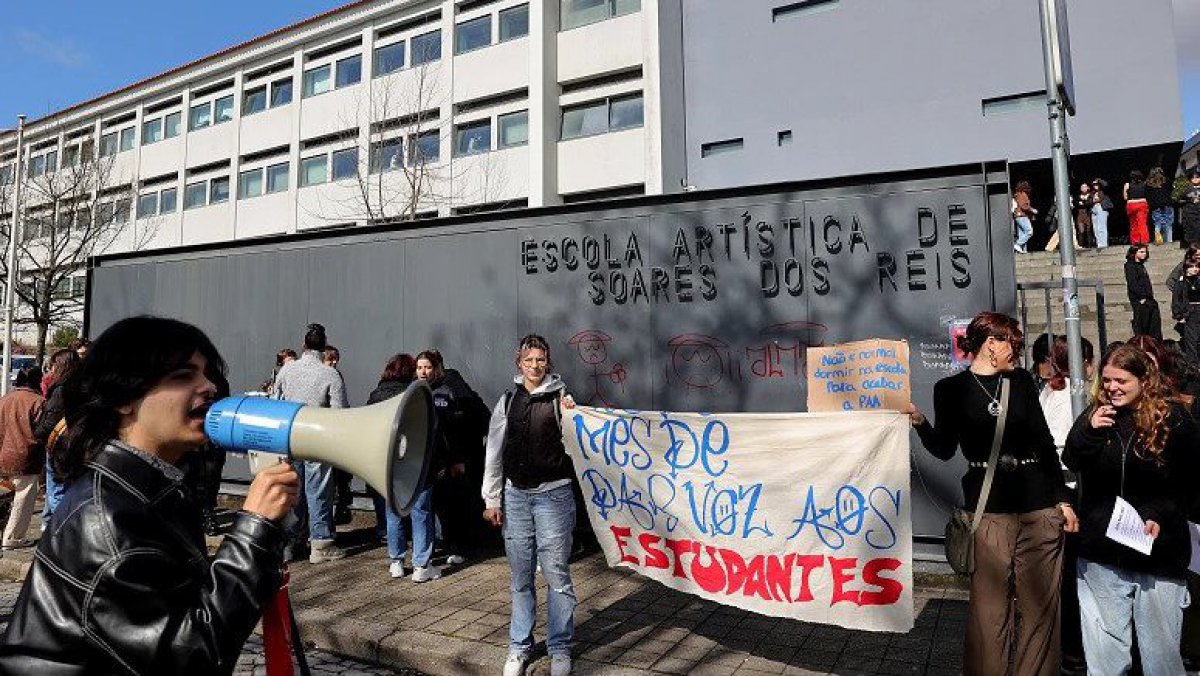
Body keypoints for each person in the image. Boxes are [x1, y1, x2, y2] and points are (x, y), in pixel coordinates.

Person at [0, 316, 300, 673]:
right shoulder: (105, 520)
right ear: (124, 398)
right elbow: (190, 658)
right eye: (183, 376)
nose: (208, 387)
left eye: (207, 374)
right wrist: (253, 531)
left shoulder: (148, 489)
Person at [904, 312, 1077, 676]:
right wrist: (921, 425)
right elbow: (945, 448)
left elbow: (1045, 445)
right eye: (1011, 343)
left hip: (1039, 508)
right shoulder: (950, 389)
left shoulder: (1024, 383)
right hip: (989, 512)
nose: (1017, 350)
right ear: (990, 343)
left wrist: (1062, 499)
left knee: (1040, 609)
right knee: (989, 613)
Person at [1063, 344, 1199, 676]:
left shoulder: (1174, 418)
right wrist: (1088, 430)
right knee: (1106, 657)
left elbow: (1190, 482)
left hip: (1157, 552)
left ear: (1143, 380)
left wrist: (1158, 514)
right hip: (1102, 552)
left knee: (1160, 657)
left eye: (1121, 380)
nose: (1112, 388)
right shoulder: (1098, 414)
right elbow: (1072, 459)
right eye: (1107, 380)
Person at [483, 334, 578, 676]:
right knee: (521, 578)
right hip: (517, 497)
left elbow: (579, 444)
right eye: (529, 360)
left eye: (540, 360)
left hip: (554, 495)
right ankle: (519, 646)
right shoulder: (507, 401)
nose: (535, 366)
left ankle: (560, 647)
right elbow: (493, 451)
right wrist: (492, 498)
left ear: (548, 362)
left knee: (557, 576)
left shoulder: (561, 399)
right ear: (518, 363)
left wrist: (573, 416)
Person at [1037, 336, 1095, 674]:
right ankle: (1073, 649)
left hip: (1056, 492)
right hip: (1069, 492)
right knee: (1073, 575)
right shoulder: (1067, 394)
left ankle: (1070, 647)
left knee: (1066, 575)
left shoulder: (1050, 391)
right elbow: (1062, 448)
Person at [272, 323, 348, 563]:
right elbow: (339, 412)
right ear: (324, 347)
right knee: (319, 493)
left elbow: (276, 402)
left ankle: (290, 545)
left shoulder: (287, 370)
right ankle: (321, 544)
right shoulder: (330, 374)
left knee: (293, 491)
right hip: (317, 439)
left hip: (290, 437)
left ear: (303, 346)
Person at [367, 351, 442, 583]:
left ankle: (396, 562)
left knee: (393, 512)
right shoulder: (415, 394)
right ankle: (421, 565)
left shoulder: (376, 394)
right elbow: (431, 431)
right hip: (417, 463)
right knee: (421, 513)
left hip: (388, 465)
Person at [418, 349, 489, 567]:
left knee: (455, 504)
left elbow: (452, 429)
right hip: (446, 457)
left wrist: (456, 459)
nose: (423, 372)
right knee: (447, 503)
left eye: (427, 367)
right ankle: (453, 544)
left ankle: (460, 546)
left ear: (436, 368)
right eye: (420, 367)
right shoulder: (430, 389)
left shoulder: (446, 391)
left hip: (454, 457)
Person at [34, 348, 80, 527]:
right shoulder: (85, 386)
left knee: (56, 491)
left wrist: (38, 433)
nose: (51, 370)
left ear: (61, 366)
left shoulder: (62, 389)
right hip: (76, 443)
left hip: (59, 444)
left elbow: (50, 419)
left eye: (53, 366)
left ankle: (60, 529)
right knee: (67, 489)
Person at [0, 364, 44, 550]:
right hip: (26, 456)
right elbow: (41, 431)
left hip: (3, 453)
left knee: (4, 495)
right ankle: (13, 537)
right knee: (23, 498)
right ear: (37, 380)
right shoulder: (39, 402)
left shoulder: (4, 399)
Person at [322, 345, 354, 526]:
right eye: (330, 359)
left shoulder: (336, 375)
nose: (334, 363)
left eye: (336, 359)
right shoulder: (329, 376)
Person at [1125, 245, 1162, 341]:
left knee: (1154, 327)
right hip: (1140, 300)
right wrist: (1142, 297)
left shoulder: (1141, 265)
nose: (1144, 254)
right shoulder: (1130, 265)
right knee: (1143, 327)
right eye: (1141, 252)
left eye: (1145, 252)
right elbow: (1132, 284)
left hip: (1149, 299)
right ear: (1134, 252)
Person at [1171, 256, 1200, 358]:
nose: (1195, 269)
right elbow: (1176, 299)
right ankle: (1194, 365)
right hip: (1190, 312)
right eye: (1191, 267)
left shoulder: (1198, 280)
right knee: (1192, 340)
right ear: (1186, 268)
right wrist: (1179, 315)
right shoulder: (1181, 283)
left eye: (1197, 266)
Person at [1146, 167, 1173, 244]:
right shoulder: (1167, 181)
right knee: (1168, 223)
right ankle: (1169, 241)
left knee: (1157, 223)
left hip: (1155, 206)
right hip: (1167, 204)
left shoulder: (1148, 184)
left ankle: (1158, 240)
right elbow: (1171, 191)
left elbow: (1147, 196)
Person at [1125, 170, 1150, 245]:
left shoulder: (1127, 185)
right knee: (1142, 223)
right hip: (1142, 203)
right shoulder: (1144, 184)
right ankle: (1144, 241)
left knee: (1133, 224)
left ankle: (1135, 242)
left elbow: (1125, 197)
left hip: (1131, 204)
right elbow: (1147, 194)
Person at [1013, 180, 1037, 253]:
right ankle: (1018, 244)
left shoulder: (1017, 195)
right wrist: (1032, 210)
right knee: (1029, 231)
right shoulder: (1022, 194)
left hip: (1018, 216)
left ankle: (1023, 250)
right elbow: (1024, 206)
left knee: (1022, 234)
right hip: (1022, 216)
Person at [1178, 169, 1200, 248]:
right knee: (1192, 231)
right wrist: (1190, 200)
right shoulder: (1186, 189)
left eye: (1197, 177)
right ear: (1190, 179)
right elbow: (1178, 200)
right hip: (1190, 214)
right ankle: (1192, 247)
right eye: (1193, 178)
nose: (1195, 179)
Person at [1092, 178, 1113, 248]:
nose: (1095, 186)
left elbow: (1105, 184)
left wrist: (1098, 180)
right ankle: (1099, 244)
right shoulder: (1092, 193)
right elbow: (1087, 202)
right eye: (1094, 184)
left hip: (1102, 208)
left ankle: (1103, 244)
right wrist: (1092, 201)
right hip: (1094, 209)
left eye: (1097, 184)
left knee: (1102, 227)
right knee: (1096, 228)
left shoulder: (1103, 191)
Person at [1074, 182, 1095, 248]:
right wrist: (1079, 203)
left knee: (1088, 230)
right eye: (1082, 187)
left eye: (1085, 187)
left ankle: (1089, 245)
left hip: (1088, 214)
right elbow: (1075, 203)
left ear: (1088, 188)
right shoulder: (1077, 196)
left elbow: (1090, 203)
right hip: (1080, 214)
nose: (1084, 188)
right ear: (1080, 189)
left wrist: (1083, 202)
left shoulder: (1090, 195)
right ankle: (1081, 245)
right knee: (1081, 230)